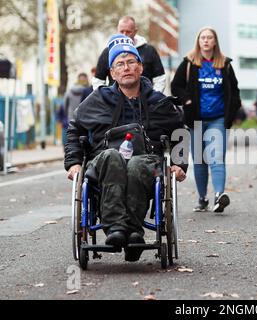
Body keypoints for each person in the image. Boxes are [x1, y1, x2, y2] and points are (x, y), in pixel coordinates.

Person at [64, 34, 188, 262]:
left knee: (138, 163)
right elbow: (75, 129)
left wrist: (180, 164)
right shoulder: (98, 99)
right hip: (104, 160)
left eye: (131, 62)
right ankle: (116, 230)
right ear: (112, 73)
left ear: (141, 67)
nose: (126, 67)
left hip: (147, 162)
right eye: (119, 64)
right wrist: (73, 163)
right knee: (112, 157)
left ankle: (131, 231)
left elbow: (181, 132)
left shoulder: (158, 102)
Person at [171, 26, 241, 213]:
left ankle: (219, 196)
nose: (206, 40)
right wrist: (186, 99)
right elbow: (176, 86)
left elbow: (234, 92)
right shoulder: (189, 62)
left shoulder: (224, 64)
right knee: (200, 161)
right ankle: (202, 199)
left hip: (218, 118)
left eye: (210, 37)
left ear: (215, 41)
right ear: (198, 41)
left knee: (216, 157)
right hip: (196, 119)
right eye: (203, 37)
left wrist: (231, 115)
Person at [92, 16, 166, 93]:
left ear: (135, 31)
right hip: (115, 101)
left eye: (128, 32)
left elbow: (160, 79)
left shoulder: (149, 50)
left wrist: (152, 98)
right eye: (121, 31)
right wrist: (106, 99)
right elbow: (98, 81)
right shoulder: (108, 52)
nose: (124, 35)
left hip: (145, 101)